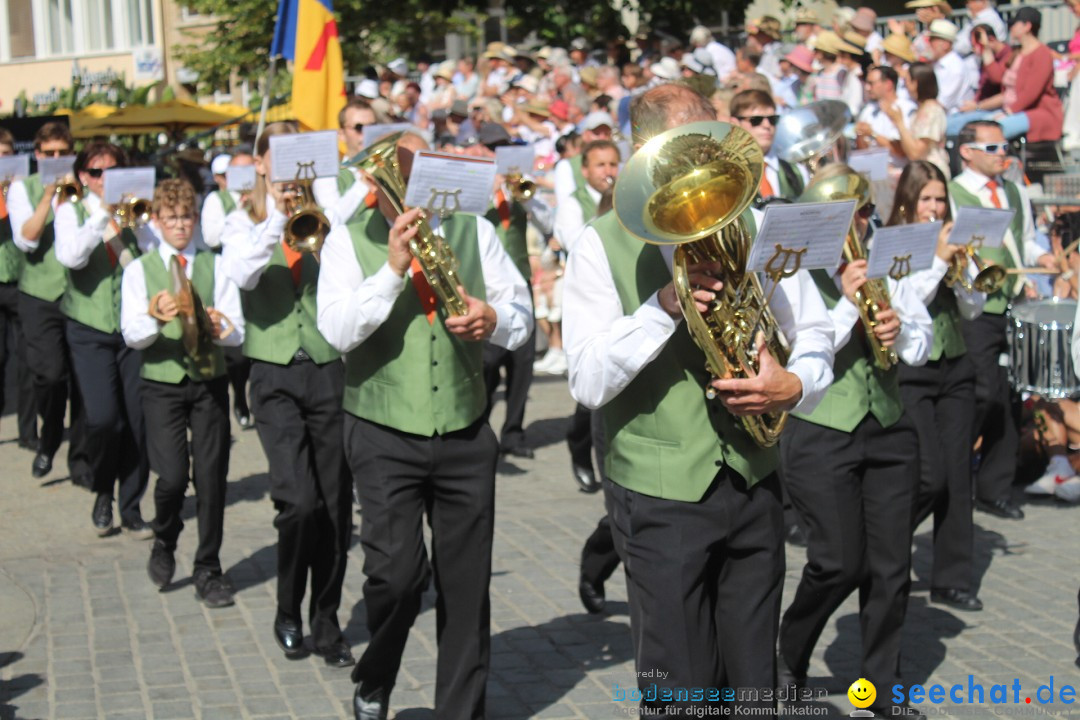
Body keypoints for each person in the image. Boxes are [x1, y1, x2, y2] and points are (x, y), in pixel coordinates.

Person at [563, 83, 836, 715]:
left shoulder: (755, 223)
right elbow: (585, 380)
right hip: (661, 493)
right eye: (686, 152)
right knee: (679, 687)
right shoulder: (598, 244)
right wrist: (665, 309)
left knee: (752, 689)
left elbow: (816, 329)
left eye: (709, 147)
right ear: (644, 155)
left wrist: (795, 384)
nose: (702, 170)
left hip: (754, 478)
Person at [316, 131, 532, 720]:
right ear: (371, 180)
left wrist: (493, 318)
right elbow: (335, 332)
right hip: (383, 431)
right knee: (397, 577)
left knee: (466, 586)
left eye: (414, 172)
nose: (405, 185)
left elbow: (522, 317)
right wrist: (390, 270)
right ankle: (375, 674)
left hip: (464, 430)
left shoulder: (475, 230)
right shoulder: (344, 242)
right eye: (393, 173)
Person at [779, 164, 933, 719]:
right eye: (845, 213)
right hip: (823, 430)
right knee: (838, 562)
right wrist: (849, 303)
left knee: (892, 569)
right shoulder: (795, 268)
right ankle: (788, 654)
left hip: (889, 426)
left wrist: (900, 330)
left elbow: (921, 340)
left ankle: (881, 690)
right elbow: (803, 347)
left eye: (864, 211)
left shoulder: (887, 261)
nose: (857, 222)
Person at [221, 122, 356, 666]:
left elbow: (352, 261)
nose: (293, 168)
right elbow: (242, 276)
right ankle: (286, 607)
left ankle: (326, 620)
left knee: (334, 506)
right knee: (297, 503)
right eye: (284, 158)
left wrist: (323, 202)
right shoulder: (239, 217)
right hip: (273, 373)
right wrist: (279, 214)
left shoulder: (326, 212)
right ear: (260, 164)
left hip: (327, 368)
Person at [120, 179, 244, 607]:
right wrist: (155, 318)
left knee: (211, 479)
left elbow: (237, 331)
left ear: (195, 219)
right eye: (170, 218)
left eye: (185, 217)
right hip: (162, 383)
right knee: (171, 477)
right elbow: (132, 334)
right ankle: (165, 537)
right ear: (156, 221)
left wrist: (218, 325)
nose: (179, 226)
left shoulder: (217, 264)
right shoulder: (139, 269)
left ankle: (208, 568)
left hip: (209, 380)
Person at [888, 160, 986, 611]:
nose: (934, 207)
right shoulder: (897, 242)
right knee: (929, 475)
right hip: (913, 368)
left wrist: (967, 272)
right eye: (926, 198)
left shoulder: (950, 238)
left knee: (958, 475)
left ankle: (953, 577)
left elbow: (972, 311)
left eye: (940, 199)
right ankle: (886, 546)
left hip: (955, 363)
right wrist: (938, 261)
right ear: (908, 200)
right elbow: (905, 303)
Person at [949, 119, 1056, 519]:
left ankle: (996, 487)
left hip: (1012, 302)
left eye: (1005, 148)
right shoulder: (955, 193)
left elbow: (1024, 238)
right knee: (983, 392)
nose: (1003, 155)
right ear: (968, 152)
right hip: (977, 306)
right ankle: (958, 473)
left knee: (1012, 395)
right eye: (992, 149)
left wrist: (1041, 258)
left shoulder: (1013, 189)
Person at [53, 142, 152, 537]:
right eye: (95, 173)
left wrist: (137, 223)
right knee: (103, 419)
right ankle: (101, 490)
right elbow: (71, 257)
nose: (102, 180)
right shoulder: (70, 211)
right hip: (88, 327)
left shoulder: (134, 209)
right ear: (81, 177)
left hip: (132, 327)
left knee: (137, 419)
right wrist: (102, 219)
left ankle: (130, 505)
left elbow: (153, 255)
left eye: (110, 173)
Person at [6, 122, 91, 483]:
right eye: (50, 154)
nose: (57, 159)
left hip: (80, 294)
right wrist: (47, 197)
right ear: (38, 155)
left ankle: (82, 462)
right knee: (51, 376)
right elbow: (26, 239)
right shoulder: (22, 189)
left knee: (84, 381)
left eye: (63, 153)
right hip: (40, 296)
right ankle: (48, 439)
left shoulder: (84, 186)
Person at [945, 8, 1063, 141]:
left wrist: (1007, 113)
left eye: (1014, 24)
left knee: (987, 130)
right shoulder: (1017, 53)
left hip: (1037, 114)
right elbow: (997, 78)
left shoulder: (1042, 53)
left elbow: (1031, 93)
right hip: (1014, 112)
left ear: (1027, 26)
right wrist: (986, 49)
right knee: (967, 126)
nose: (1010, 27)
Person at [201, 150, 257, 431]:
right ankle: (238, 398)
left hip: (260, 275)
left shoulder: (263, 195)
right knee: (235, 350)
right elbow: (211, 237)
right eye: (225, 175)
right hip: (229, 278)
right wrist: (240, 209)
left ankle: (250, 397)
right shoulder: (217, 200)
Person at [0, 126, 36, 452]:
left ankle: (28, 432)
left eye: (6, 157)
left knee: (27, 360)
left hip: (21, 282)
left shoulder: (24, 190)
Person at [731, 89, 807, 202]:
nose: (767, 125)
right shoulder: (727, 173)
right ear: (735, 124)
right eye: (756, 120)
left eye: (773, 120)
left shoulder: (797, 172)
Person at [884, 62, 951, 178]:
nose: (905, 87)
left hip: (932, 174)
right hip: (921, 172)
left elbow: (916, 153)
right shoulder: (920, 110)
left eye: (907, 81)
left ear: (915, 83)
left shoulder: (932, 111)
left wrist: (899, 122)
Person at [856, 65, 917, 169]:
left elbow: (902, 151)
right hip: (871, 169)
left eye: (871, 83)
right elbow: (862, 150)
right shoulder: (868, 110)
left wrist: (873, 134)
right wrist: (861, 136)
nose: (867, 88)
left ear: (888, 84)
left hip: (897, 170)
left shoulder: (906, 108)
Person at [929, 20, 977, 114]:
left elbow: (942, 103)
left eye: (932, 40)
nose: (929, 44)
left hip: (954, 118)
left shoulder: (955, 68)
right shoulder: (938, 64)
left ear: (946, 44)